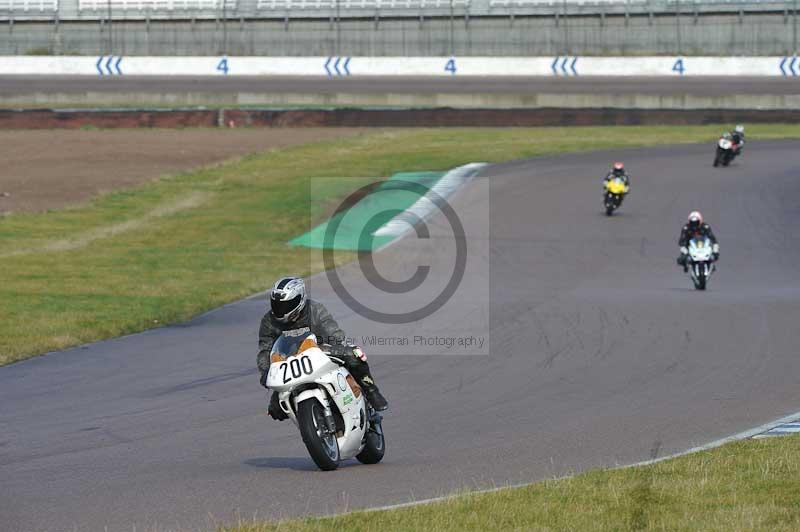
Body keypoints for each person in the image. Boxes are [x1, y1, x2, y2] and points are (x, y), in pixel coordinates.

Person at [257, 276, 388, 420]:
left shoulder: (315, 310)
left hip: (319, 352)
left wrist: (340, 346)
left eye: (286, 305)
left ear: (300, 300)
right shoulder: (268, 321)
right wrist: (265, 372)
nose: (280, 310)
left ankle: (371, 391)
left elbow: (333, 333)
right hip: (289, 365)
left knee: (354, 354)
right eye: (277, 304)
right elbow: (265, 350)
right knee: (276, 410)